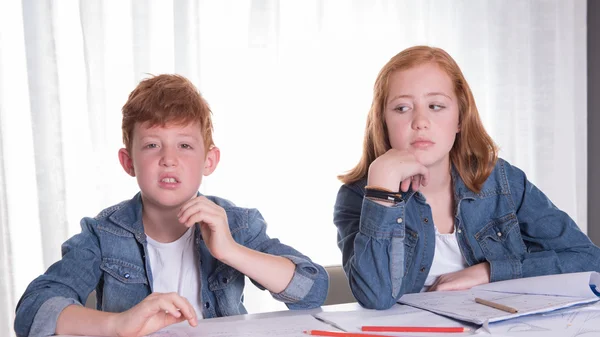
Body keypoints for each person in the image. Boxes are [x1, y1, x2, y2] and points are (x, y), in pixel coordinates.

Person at [15, 74, 329, 337]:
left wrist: (230, 250)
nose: (168, 159)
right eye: (152, 145)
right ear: (128, 162)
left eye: (184, 145)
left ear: (209, 161)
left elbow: (312, 289)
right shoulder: (102, 233)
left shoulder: (236, 223)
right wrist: (118, 325)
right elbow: (33, 309)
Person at [333, 45, 600, 310]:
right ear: (383, 122)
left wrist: (488, 271)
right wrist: (382, 192)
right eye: (402, 108)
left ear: (460, 118)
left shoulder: (502, 182)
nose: (420, 121)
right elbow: (374, 296)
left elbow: (589, 259)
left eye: (436, 106)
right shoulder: (356, 196)